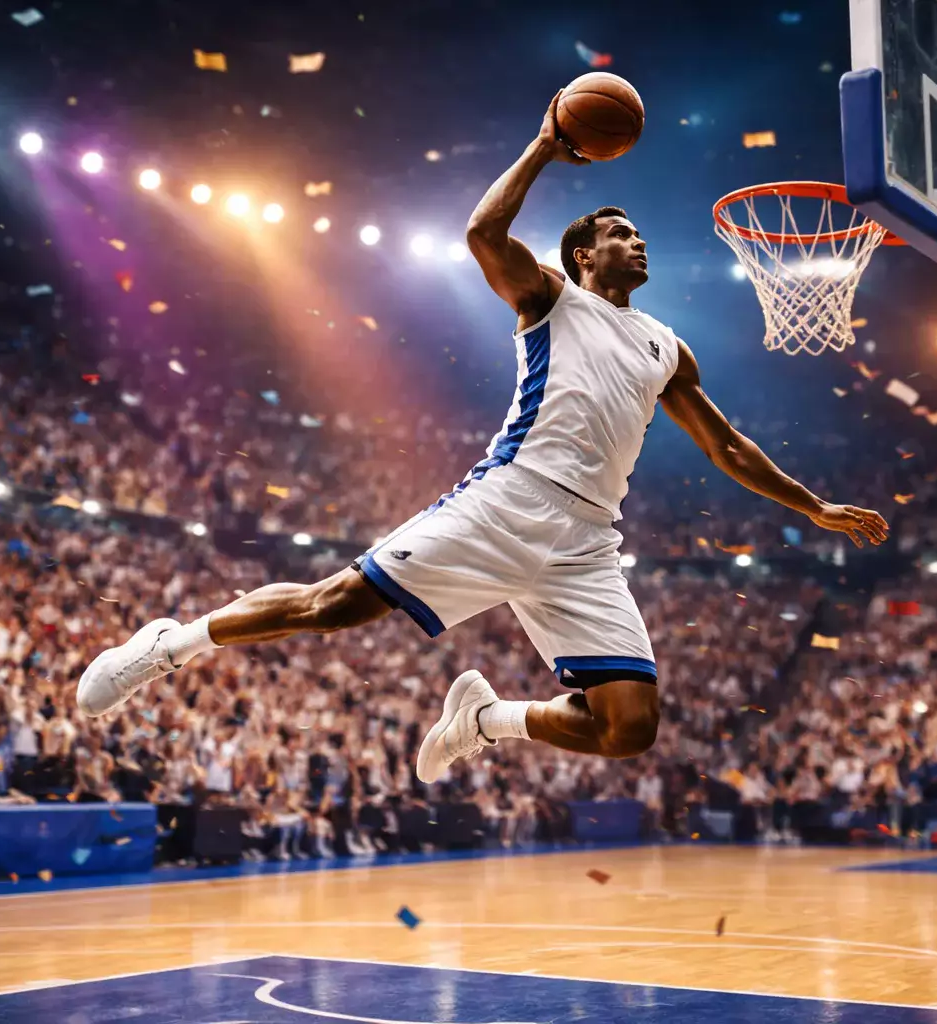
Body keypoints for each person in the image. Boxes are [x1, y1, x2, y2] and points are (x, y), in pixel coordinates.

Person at [76, 90, 889, 785]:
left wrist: (813, 506)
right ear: (582, 252)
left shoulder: (666, 346)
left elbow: (728, 447)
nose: (637, 241)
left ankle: (489, 720)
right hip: (511, 497)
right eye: (620, 230)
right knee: (332, 606)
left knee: (628, 728)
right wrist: (545, 145)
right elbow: (482, 235)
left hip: (587, 542)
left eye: (638, 234)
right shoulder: (551, 296)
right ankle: (168, 645)